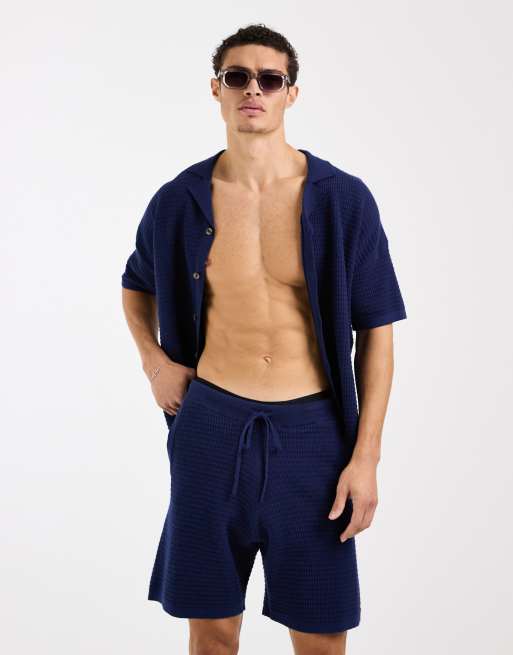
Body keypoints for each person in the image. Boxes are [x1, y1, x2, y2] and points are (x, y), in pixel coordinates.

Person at [121, 23, 407, 655]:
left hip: (314, 434)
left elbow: (377, 334)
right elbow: (135, 285)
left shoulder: (343, 200)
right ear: (217, 90)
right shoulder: (179, 200)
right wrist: (154, 363)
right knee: (212, 630)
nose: (253, 90)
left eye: (270, 79)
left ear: (290, 94)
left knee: (322, 635)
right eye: (238, 77)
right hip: (211, 427)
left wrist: (366, 458)